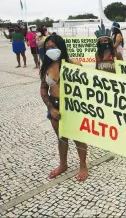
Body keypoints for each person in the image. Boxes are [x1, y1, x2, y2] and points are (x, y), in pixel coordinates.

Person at [39, 34, 88, 181]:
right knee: (61, 138)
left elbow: (86, 86)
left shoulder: (74, 64)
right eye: (47, 47)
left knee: (78, 137)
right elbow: (43, 90)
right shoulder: (46, 67)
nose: (50, 50)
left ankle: (83, 165)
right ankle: (63, 164)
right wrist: (51, 109)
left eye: (53, 47)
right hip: (54, 105)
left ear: (61, 47)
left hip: (72, 105)